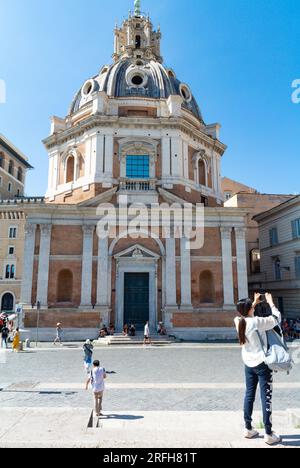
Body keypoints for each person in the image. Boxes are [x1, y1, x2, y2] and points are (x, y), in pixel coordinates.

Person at [234, 293, 282, 446]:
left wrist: (253, 304)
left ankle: (248, 428)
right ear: (249, 310)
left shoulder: (238, 321)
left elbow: (245, 315)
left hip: (248, 364)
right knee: (265, 396)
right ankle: (268, 433)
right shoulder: (258, 322)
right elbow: (277, 318)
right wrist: (270, 302)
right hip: (262, 364)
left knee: (249, 395)